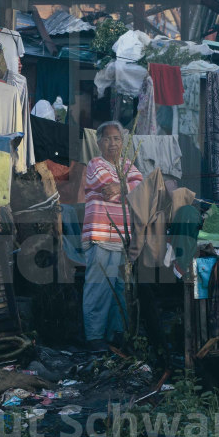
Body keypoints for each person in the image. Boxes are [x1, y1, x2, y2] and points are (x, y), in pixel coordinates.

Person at [81, 121, 142, 350]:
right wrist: (125, 188)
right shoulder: (95, 164)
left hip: (122, 240)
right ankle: (94, 338)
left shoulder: (129, 165)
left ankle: (116, 335)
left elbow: (142, 187)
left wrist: (121, 188)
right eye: (107, 138)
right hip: (100, 235)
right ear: (99, 143)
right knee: (98, 287)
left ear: (123, 142)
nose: (113, 143)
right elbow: (108, 188)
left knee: (120, 288)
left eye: (117, 138)